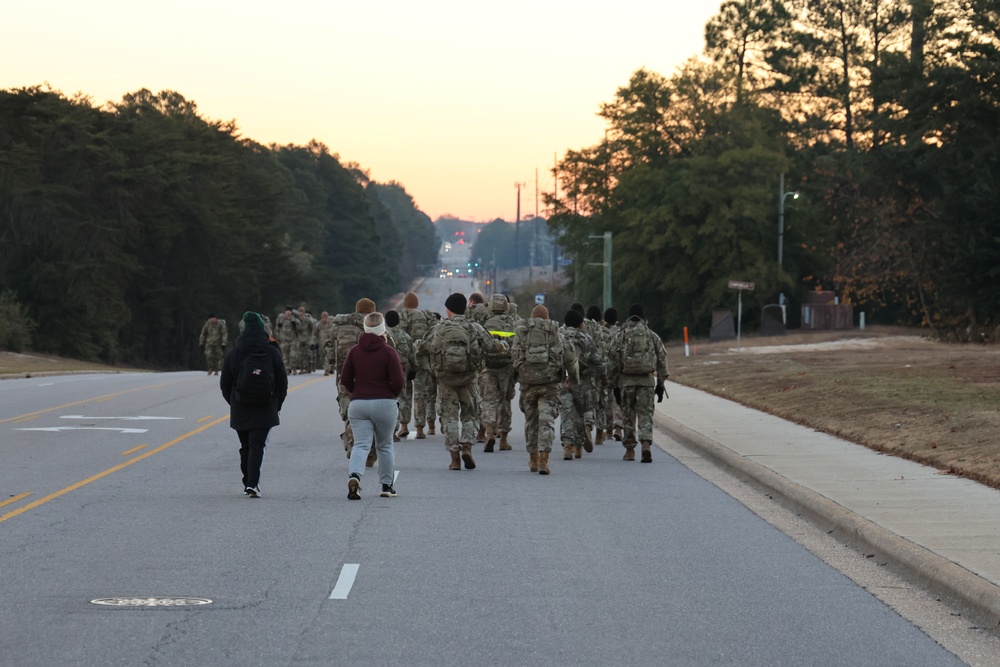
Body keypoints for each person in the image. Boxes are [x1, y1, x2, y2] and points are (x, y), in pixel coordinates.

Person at [421, 292, 505, 471]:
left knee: (449, 418)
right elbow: (491, 347)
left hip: (446, 380)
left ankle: (454, 458)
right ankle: (467, 446)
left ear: (448, 310)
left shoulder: (439, 328)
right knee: (471, 414)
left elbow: (422, 346)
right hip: (469, 379)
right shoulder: (473, 327)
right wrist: (503, 345)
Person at [220, 311, 288, 498]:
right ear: (262, 328)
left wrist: (234, 401)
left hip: (241, 406)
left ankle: (247, 481)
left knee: (245, 446)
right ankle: (253, 484)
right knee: (257, 445)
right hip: (266, 406)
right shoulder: (272, 351)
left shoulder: (235, 352)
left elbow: (225, 383)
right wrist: (277, 404)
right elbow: (282, 382)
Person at [340, 312, 405, 500]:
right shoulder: (389, 352)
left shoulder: (354, 351)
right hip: (384, 402)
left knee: (361, 444)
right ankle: (386, 485)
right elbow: (398, 380)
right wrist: (391, 393)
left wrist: (357, 391)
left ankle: (355, 476)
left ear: (365, 328)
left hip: (359, 403)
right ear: (382, 329)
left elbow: (345, 379)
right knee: (385, 445)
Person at [511, 305, 579, 474]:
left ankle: (532, 459)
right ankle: (543, 460)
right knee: (546, 422)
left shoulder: (522, 333)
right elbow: (570, 360)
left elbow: (514, 356)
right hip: (549, 385)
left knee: (531, 422)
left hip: (528, 385)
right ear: (547, 318)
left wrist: (515, 379)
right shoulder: (557, 334)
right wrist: (573, 379)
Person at [608, 304, 668, 462]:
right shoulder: (651, 335)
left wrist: (613, 385)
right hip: (646, 381)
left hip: (627, 382)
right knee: (645, 414)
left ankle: (629, 450)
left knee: (628, 415)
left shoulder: (621, 335)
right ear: (642, 317)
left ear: (629, 317)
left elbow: (612, 361)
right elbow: (662, 360)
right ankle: (646, 444)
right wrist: (661, 384)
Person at [325, 298, 377, 459]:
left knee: (349, 412)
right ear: (371, 311)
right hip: (366, 377)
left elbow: (328, 345)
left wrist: (333, 362)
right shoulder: (371, 325)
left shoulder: (338, 326)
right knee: (368, 413)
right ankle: (367, 449)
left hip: (343, 376)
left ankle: (352, 443)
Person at [559, 309, 605, 460]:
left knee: (566, 413)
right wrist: (601, 376)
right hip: (582, 382)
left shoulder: (559, 337)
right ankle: (578, 447)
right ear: (580, 324)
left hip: (563, 381)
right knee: (579, 414)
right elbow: (598, 361)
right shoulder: (586, 338)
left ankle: (567, 446)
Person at [480, 294, 517, 452]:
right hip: (506, 368)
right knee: (505, 401)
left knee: (488, 400)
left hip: (488, 367)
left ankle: (489, 433)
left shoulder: (484, 323)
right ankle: (503, 439)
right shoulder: (513, 323)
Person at [399, 291, 439, 438]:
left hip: (402, 361)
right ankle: (420, 428)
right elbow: (435, 334)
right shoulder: (426, 316)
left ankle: (403, 425)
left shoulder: (399, 316)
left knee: (404, 393)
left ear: (404, 303)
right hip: (421, 359)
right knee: (420, 394)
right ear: (417, 303)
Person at [384, 309, 417, 440]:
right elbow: (412, 356)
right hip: (402, 372)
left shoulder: (383, 336)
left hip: (385, 373)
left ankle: (390, 430)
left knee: (389, 400)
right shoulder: (406, 337)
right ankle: (404, 426)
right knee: (404, 399)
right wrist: (414, 369)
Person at [274, 306, 300, 373]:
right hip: (284, 339)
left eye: (289, 311)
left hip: (293, 340)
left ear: (291, 312)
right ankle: (287, 369)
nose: (288, 312)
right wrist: (277, 338)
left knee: (293, 355)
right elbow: (277, 329)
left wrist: (295, 323)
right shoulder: (281, 318)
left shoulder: (294, 319)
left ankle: (294, 368)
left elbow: (300, 329)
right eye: (287, 311)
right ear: (285, 312)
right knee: (285, 356)